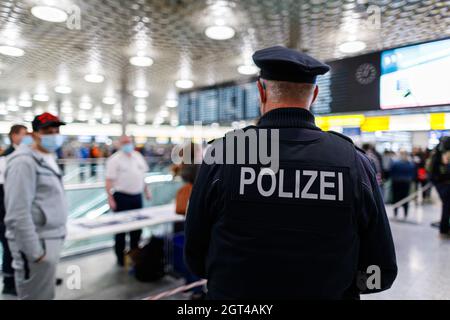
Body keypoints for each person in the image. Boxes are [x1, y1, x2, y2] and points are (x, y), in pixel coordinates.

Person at [185, 46, 397, 299]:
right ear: (315, 95)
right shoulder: (354, 163)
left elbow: (195, 257)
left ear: (260, 91)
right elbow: (380, 270)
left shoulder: (223, 155)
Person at [4, 113, 68, 300]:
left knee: (45, 294)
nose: (54, 134)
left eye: (56, 130)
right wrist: (35, 253)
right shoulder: (23, 162)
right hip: (37, 245)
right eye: (47, 131)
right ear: (34, 134)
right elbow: (17, 214)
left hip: (50, 240)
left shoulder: (48, 157)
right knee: (35, 296)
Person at [105, 135, 152, 266]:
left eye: (129, 142)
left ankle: (134, 255)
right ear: (119, 144)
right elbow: (109, 181)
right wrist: (110, 198)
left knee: (136, 229)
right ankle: (121, 259)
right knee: (121, 230)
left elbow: (142, 176)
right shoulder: (114, 160)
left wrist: (147, 191)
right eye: (124, 142)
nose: (127, 144)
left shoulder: (138, 156)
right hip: (121, 197)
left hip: (137, 197)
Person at [0, 125, 28, 296]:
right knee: (10, 249)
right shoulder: (4, 159)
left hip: (23, 211)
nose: (26, 138)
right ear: (13, 136)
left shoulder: (28, 156)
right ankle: (9, 283)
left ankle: (25, 280)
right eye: (23, 135)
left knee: (24, 248)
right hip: (6, 213)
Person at [427, 137, 450, 236]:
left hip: (441, 182)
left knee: (447, 206)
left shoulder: (438, 153)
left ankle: (444, 228)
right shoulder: (439, 154)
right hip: (442, 183)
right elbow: (441, 172)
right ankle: (443, 230)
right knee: (447, 206)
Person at [390, 150, 416, 218]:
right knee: (404, 198)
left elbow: (391, 172)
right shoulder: (410, 164)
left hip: (397, 182)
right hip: (405, 183)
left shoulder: (395, 163)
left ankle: (397, 212)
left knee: (396, 198)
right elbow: (413, 174)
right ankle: (404, 213)